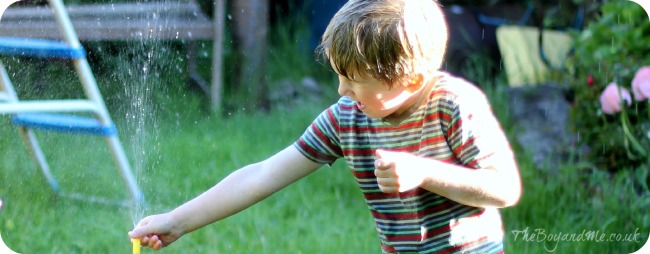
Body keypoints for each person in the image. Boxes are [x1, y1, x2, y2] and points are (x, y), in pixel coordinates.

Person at [128, 0, 522, 253]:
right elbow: (262, 175)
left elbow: (505, 188)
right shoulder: (346, 118)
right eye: (338, 75)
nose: (341, 89)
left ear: (412, 81)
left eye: (354, 79)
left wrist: (424, 172)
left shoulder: (454, 105)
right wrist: (176, 221)